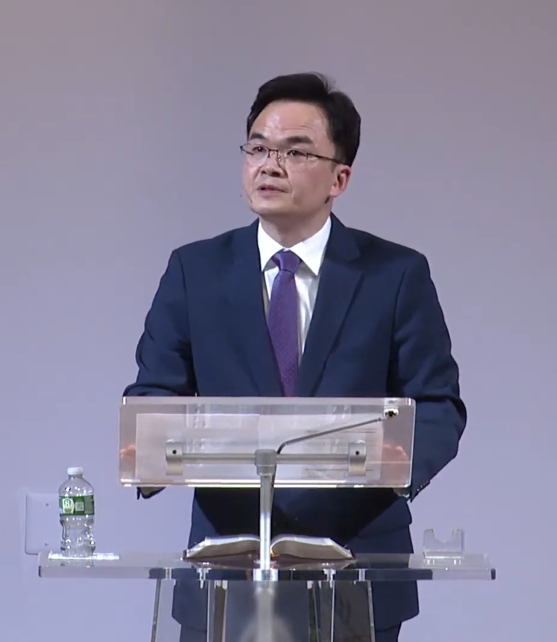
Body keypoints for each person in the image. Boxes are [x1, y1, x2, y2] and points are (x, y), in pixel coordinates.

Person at [122, 72, 468, 642]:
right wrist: (150, 445)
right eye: (257, 148)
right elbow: (155, 391)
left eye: (295, 152)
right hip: (227, 566)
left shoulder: (394, 275)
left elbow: (437, 405)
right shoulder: (194, 271)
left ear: (340, 178)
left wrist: (401, 458)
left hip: (356, 565)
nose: (270, 165)